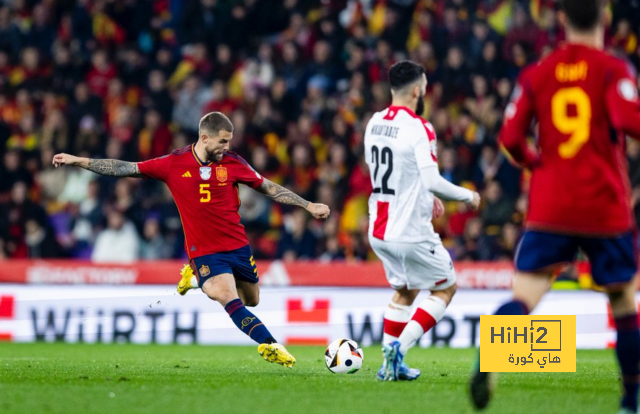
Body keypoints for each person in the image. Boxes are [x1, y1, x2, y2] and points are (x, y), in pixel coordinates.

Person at [53, 111, 330, 368]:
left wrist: (307, 205)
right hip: (205, 251)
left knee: (252, 300)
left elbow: (267, 186)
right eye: (223, 141)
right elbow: (125, 167)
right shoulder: (174, 163)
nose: (227, 146)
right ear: (205, 137)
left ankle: (195, 279)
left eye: (229, 141)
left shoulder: (233, 162)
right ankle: (270, 344)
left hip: (238, 246)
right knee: (225, 295)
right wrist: (80, 161)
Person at [470, 1, 640, 412]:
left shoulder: (537, 74)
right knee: (623, 303)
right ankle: (631, 399)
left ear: (561, 20)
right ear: (606, 19)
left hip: (550, 206)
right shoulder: (613, 70)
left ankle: (491, 359)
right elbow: (632, 122)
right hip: (604, 206)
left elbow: (510, 138)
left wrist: (536, 163)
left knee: (526, 295)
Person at [364, 60, 481, 381]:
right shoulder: (420, 127)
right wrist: (467, 195)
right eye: (425, 86)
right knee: (446, 288)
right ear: (417, 90)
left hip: (379, 229)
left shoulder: (373, 122)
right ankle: (397, 350)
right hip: (410, 232)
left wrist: (428, 200)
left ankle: (390, 368)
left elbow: (389, 172)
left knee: (405, 291)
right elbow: (431, 180)